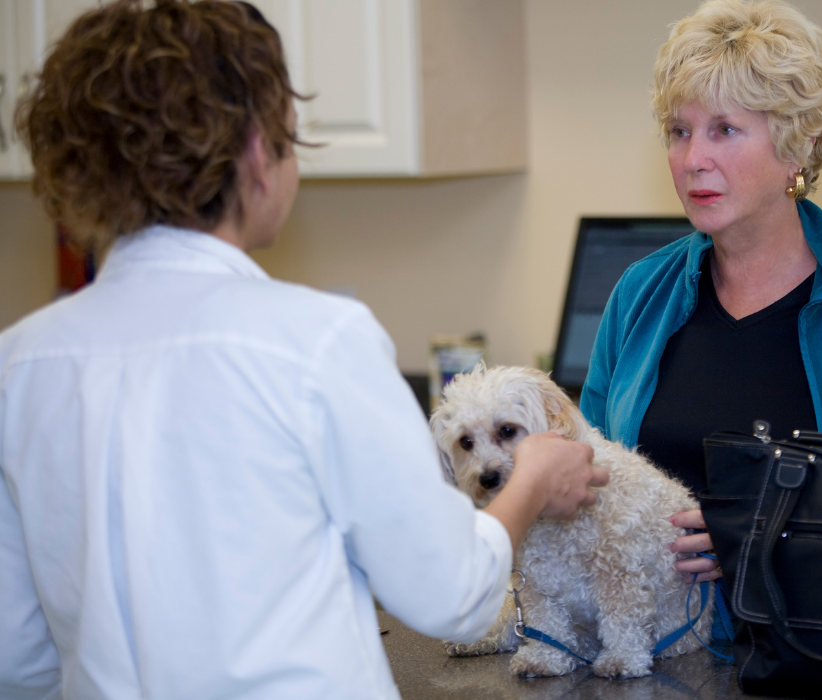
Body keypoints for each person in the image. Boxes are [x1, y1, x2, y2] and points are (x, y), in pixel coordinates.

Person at [0, 2, 606, 699]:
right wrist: (530, 482)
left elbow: (19, 658)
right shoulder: (319, 341)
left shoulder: (18, 366)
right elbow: (452, 593)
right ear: (259, 151)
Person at [579, 0, 822, 584]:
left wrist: (768, 539)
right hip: (650, 653)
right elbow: (587, 480)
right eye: (679, 132)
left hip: (813, 662)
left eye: (724, 131)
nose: (693, 160)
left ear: (800, 145)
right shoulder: (640, 295)